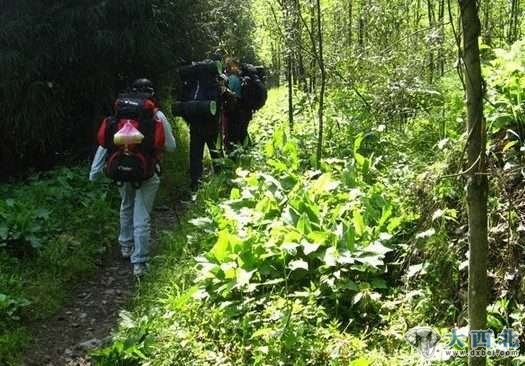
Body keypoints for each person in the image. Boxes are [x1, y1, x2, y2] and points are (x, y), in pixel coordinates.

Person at [89, 78, 176, 277]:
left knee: (126, 204)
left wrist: (94, 173)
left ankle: (125, 246)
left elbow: (105, 144)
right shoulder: (156, 115)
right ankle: (140, 263)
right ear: (150, 94)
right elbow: (171, 147)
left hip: (120, 168)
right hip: (146, 171)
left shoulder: (119, 114)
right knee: (142, 215)